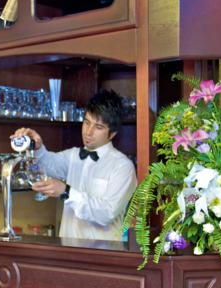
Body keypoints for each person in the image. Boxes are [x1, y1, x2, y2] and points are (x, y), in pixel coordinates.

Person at [12, 89, 137, 241]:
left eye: (98, 127)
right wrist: (37, 147)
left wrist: (66, 192)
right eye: (87, 122)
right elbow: (45, 166)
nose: (88, 132)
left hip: (103, 252)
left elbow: (107, 214)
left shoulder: (123, 167)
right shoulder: (73, 156)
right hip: (67, 248)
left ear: (112, 134)